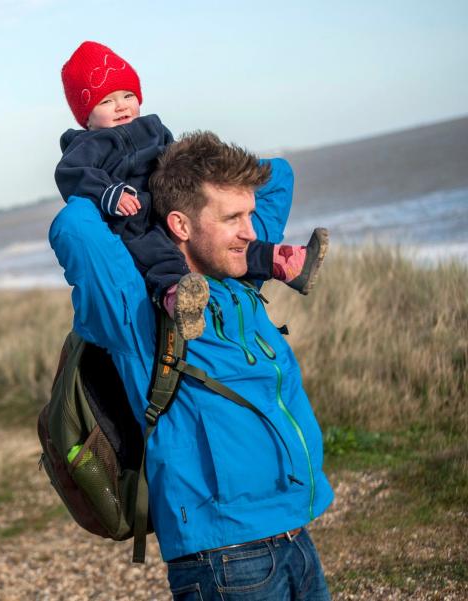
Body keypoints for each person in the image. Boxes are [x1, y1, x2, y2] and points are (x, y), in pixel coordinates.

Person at [49, 131, 334, 600]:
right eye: (232, 218)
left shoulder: (239, 277)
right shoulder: (138, 311)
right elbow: (75, 225)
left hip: (296, 534)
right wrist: (116, 186)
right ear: (180, 226)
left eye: (248, 214)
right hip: (224, 560)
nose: (251, 231)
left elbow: (278, 174)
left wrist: (173, 163)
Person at [55, 41, 327, 340]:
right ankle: (179, 298)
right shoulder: (85, 146)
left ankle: (283, 263)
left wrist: (204, 178)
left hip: (171, 200)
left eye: (128, 95)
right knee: (156, 252)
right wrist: (111, 194)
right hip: (134, 220)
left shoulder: (153, 128)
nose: (121, 105)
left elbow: (175, 157)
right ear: (87, 116)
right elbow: (73, 176)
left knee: (218, 234)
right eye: (106, 101)